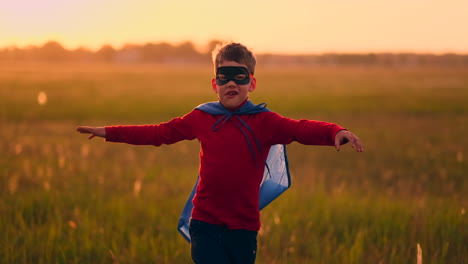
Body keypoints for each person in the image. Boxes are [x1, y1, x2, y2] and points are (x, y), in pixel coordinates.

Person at [76, 42, 363, 264]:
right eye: (223, 77)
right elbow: (158, 133)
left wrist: (334, 131)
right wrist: (109, 132)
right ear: (214, 84)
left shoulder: (264, 122)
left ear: (252, 83)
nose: (231, 84)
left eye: (238, 77)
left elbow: (300, 129)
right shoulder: (202, 117)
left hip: (244, 226)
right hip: (205, 224)